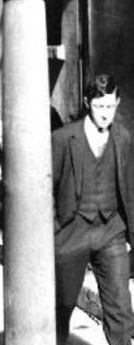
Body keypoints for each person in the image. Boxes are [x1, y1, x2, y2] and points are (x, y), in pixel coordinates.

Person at [52, 73, 134, 345]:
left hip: (111, 230)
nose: (105, 114)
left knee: (121, 309)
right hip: (72, 230)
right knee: (61, 307)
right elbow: (46, 187)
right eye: (100, 107)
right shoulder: (64, 138)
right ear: (88, 103)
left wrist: (129, 236)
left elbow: (130, 189)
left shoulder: (123, 138)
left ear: (117, 103)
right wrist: (54, 231)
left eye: (111, 107)